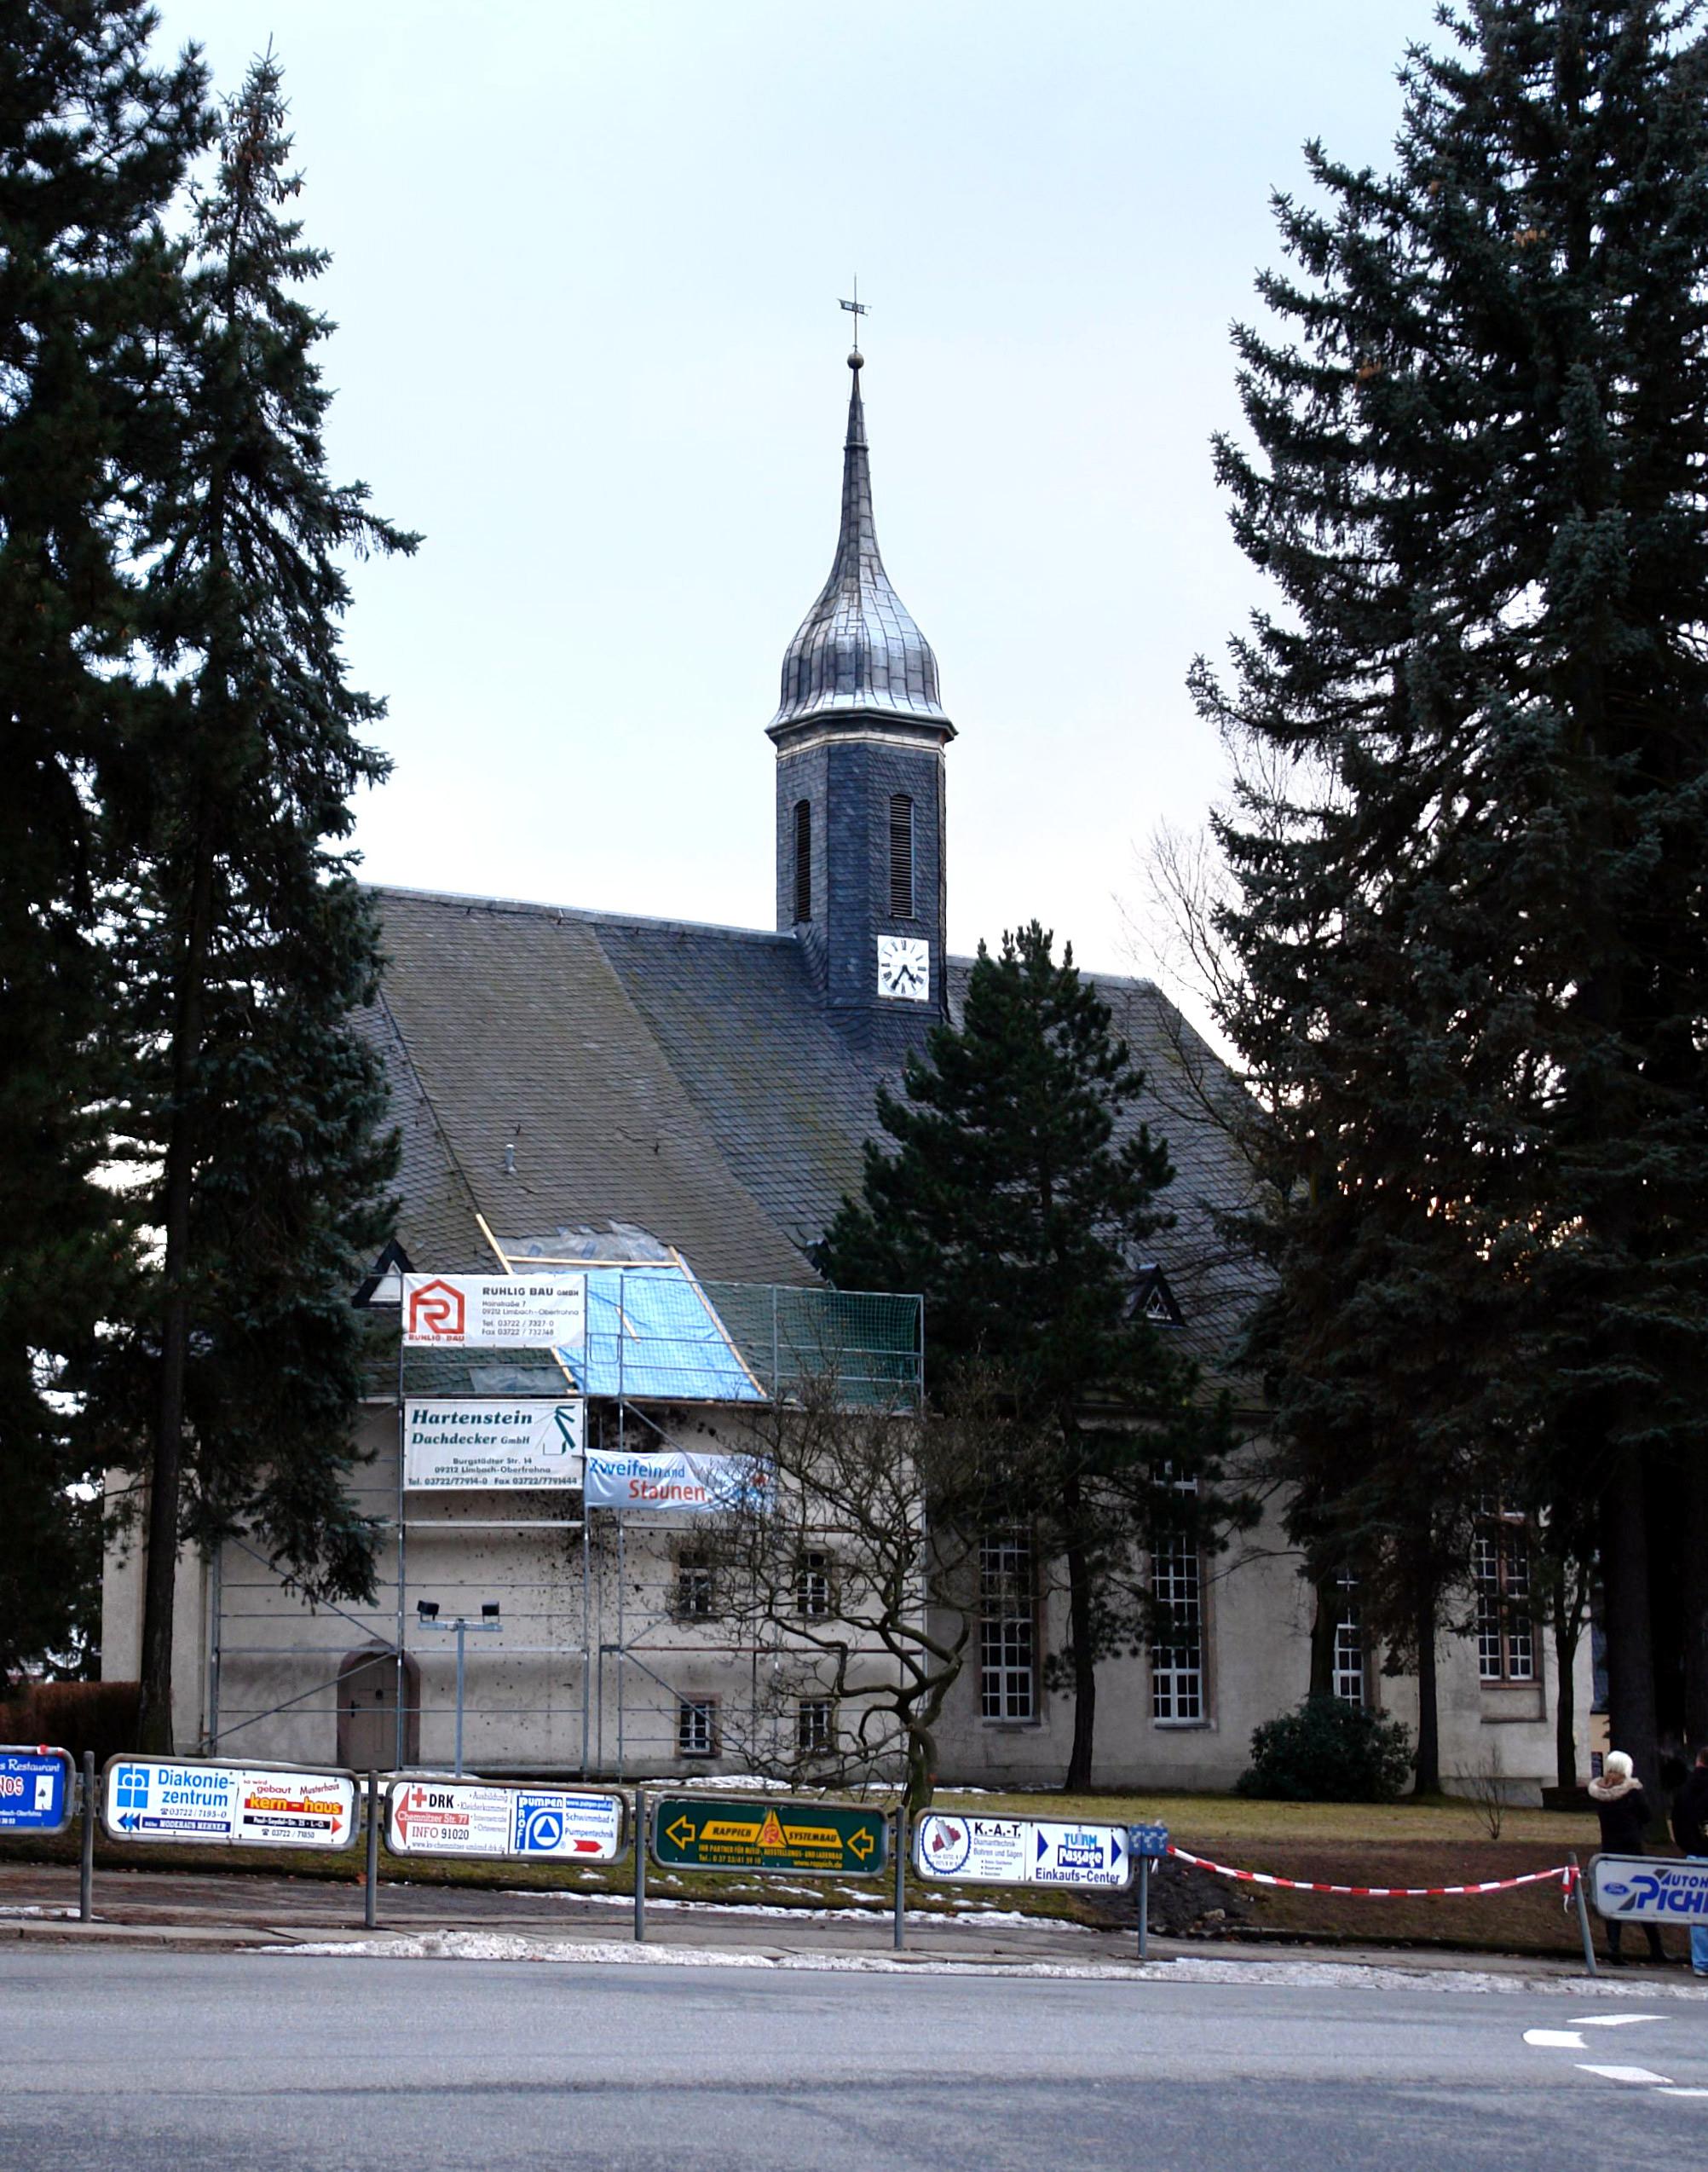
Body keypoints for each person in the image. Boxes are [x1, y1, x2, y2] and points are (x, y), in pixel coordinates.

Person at [1590, 1749, 1666, 1964]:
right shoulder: (1633, 1793)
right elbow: (1647, 1816)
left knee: (1613, 1900)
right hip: (1632, 1852)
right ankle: (1656, 1949)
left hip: (1609, 1852)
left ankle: (1614, 1948)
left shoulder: (1601, 1794)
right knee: (1643, 1899)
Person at [1670, 1742, 1708, 1979]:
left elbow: (1678, 1822)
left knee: (1699, 1913)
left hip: (1695, 1856)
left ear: (1698, 1761)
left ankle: (1702, 1961)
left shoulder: (1685, 1790)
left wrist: (1689, 1845)